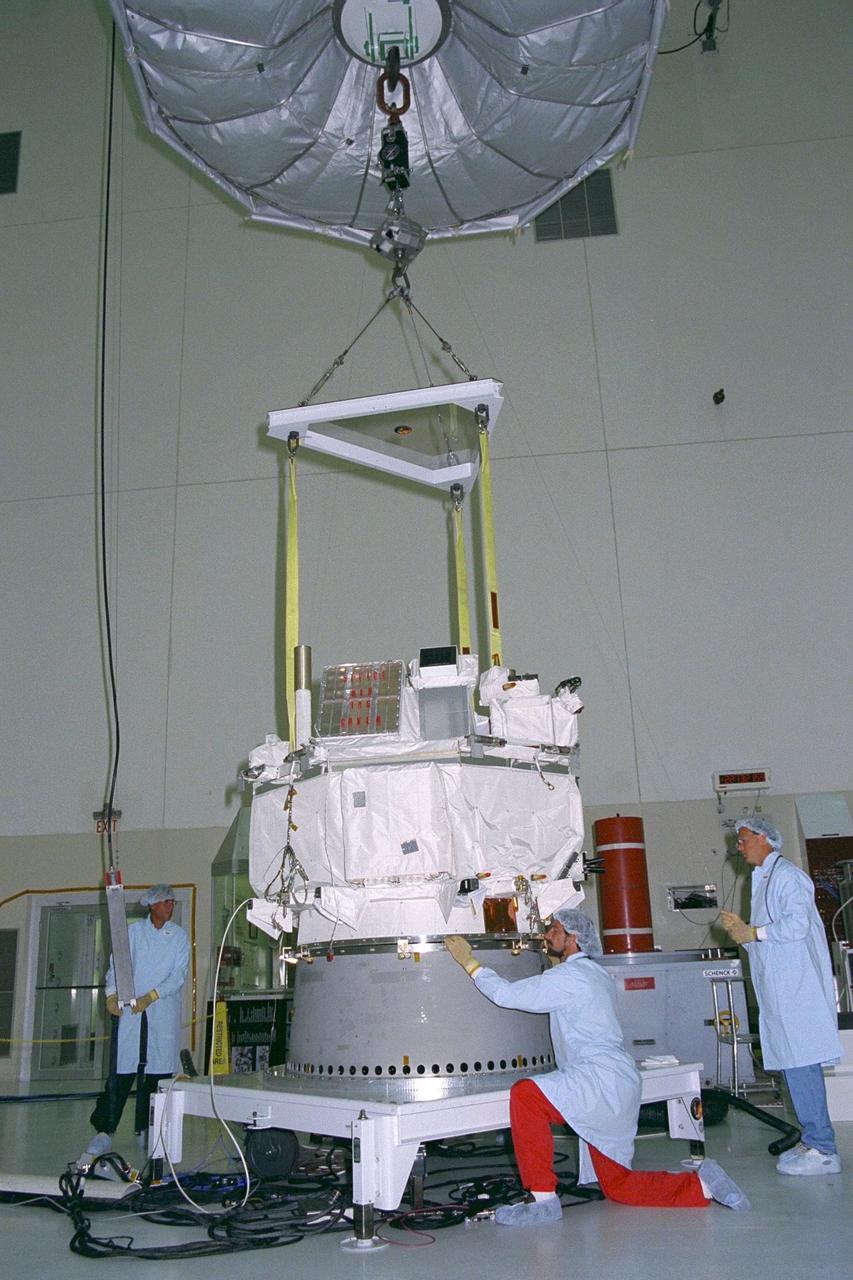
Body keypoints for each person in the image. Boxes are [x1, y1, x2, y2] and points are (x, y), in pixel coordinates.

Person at [445, 909, 749, 1225]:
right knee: (618, 1186)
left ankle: (542, 1199)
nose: (547, 935)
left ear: (573, 938)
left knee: (527, 1096)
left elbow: (507, 994)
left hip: (597, 1079)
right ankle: (703, 1184)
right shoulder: (595, 975)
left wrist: (471, 963)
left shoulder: (570, 977)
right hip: (619, 1080)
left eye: (555, 930)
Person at [721, 816, 842, 1176]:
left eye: (742, 839)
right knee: (794, 1063)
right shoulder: (763, 878)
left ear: (763, 838)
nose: (737, 847)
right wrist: (748, 935)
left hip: (797, 991)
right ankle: (814, 1141)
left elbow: (796, 925)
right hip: (782, 991)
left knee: (802, 1063)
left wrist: (752, 932)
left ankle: (823, 1149)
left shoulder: (788, 877)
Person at [79, 884, 190, 1166]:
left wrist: (153, 995)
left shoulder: (178, 937)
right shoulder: (133, 933)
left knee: (155, 1074)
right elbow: (118, 964)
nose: (170, 906)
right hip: (130, 1010)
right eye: (165, 902)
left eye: (172, 902)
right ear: (151, 905)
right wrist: (111, 994)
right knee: (122, 1070)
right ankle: (104, 1130)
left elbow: (178, 975)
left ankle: (147, 1128)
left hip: (161, 1009)